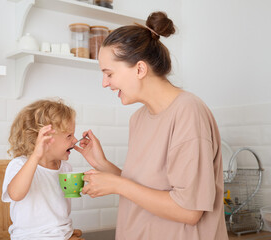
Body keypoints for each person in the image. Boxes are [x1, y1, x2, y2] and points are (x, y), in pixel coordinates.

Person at [74, 11, 228, 240]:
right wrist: (102, 164)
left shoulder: (188, 112)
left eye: (109, 73)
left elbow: (189, 211)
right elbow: (144, 188)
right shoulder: (138, 119)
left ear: (139, 69)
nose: (105, 83)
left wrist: (116, 185)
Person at [2, 99, 84, 240]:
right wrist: (35, 156)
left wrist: (85, 185)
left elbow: (60, 209)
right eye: (69, 135)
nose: (75, 140)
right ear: (45, 139)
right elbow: (15, 194)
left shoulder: (65, 167)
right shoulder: (19, 165)